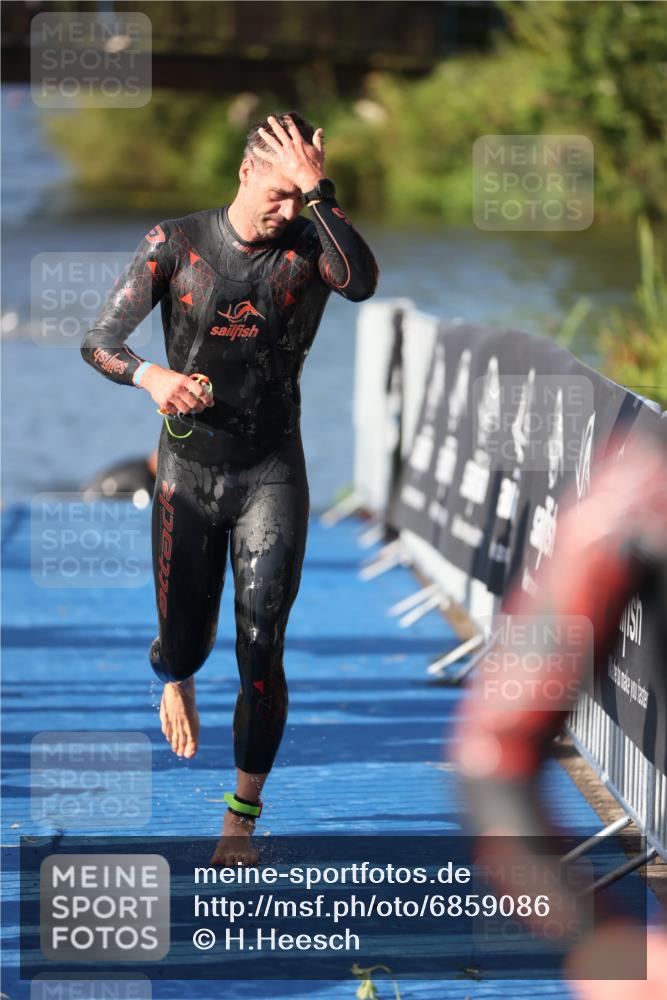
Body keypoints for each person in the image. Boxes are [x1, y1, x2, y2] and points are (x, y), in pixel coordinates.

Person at [81, 112, 378, 863]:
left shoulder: (313, 246)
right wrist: (151, 375)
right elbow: (99, 341)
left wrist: (317, 191)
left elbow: (363, 282)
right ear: (245, 173)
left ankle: (239, 817)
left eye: (300, 197)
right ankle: (174, 675)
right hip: (186, 473)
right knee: (187, 642)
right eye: (279, 193)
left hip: (270, 473)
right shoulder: (174, 245)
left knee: (260, 645)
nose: (288, 211)